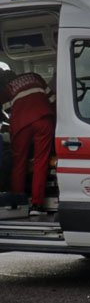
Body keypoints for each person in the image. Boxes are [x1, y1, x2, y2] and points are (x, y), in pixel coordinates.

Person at [0, 70, 54, 214]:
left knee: (19, 164)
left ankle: (19, 205)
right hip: (43, 118)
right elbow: (53, 100)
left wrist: (8, 129)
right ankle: (37, 205)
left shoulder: (6, 89)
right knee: (40, 162)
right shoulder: (36, 76)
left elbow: (9, 115)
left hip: (21, 124)